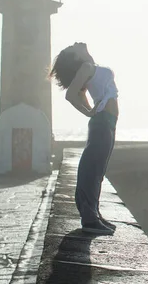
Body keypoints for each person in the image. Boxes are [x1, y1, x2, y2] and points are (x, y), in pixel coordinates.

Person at [49, 42, 119, 235]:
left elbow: (80, 92)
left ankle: (94, 213)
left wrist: (91, 109)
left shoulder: (90, 66)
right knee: (93, 168)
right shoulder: (86, 67)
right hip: (102, 120)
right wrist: (89, 112)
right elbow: (71, 95)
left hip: (108, 121)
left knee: (99, 169)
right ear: (76, 57)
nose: (76, 43)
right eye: (73, 46)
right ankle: (89, 219)